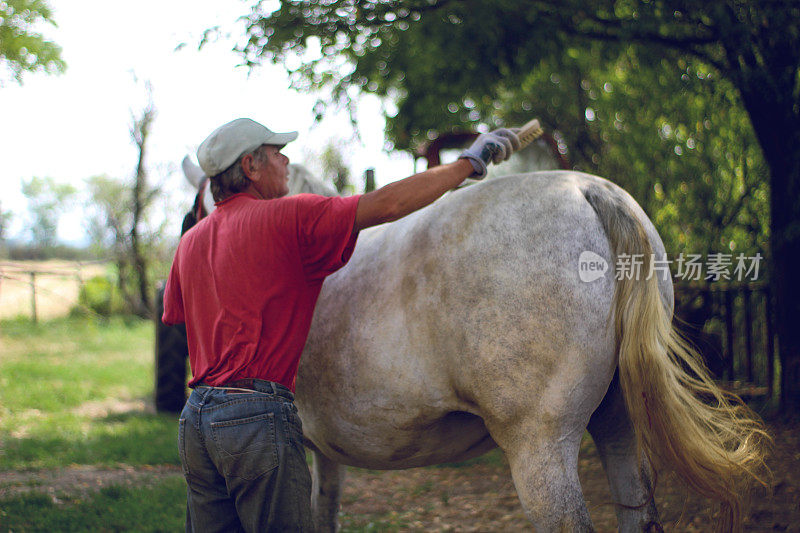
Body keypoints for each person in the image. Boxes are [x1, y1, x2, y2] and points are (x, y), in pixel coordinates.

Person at [162, 117, 520, 532]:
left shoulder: (190, 243)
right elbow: (388, 205)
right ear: (250, 166)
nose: (287, 160)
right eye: (277, 153)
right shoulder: (288, 217)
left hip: (197, 423)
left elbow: (176, 317)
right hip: (256, 420)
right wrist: (470, 163)